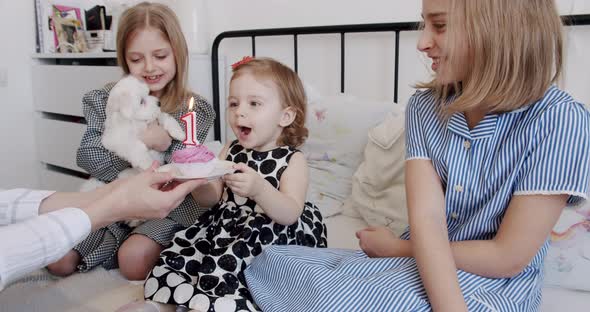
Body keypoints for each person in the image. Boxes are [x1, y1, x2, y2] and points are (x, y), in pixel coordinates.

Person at [243, 0, 590, 311]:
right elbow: (427, 221)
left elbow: (508, 257)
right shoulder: (425, 108)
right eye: (424, 24)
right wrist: (408, 253)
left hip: (490, 281)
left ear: (500, 29)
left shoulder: (560, 120)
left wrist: (398, 249)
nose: (423, 43)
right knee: (268, 261)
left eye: (439, 25)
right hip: (422, 254)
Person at [141, 57, 327, 312]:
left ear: (285, 116)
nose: (240, 111)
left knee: (227, 267)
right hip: (225, 226)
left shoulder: (293, 160)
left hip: (268, 234)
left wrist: (260, 190)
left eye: (254, 103)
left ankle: (213, 305)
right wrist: (198, 178)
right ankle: (161, 304)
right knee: (185, 255)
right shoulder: (230, 148)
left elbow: (290, 212)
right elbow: (211, 199)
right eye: (233, 103)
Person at [47, 2, 216, 281]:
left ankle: (124, 245)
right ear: (125, 60)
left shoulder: (194, 108)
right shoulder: (106, 99)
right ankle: (110, 241)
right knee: (58, 258)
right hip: (115, 198)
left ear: (178, 53)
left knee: (133, 261)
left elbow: (186, 168)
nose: (150, 67)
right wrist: (138, 142)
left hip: (168, 209)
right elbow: (88, 156)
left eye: (160, 55)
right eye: (137, 59)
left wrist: (166, 144)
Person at [0, 163, 206, 291]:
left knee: (134, 257)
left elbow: (8, 205)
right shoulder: (103, 104)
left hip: (154, 207)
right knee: (60, 260)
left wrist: (111, 195)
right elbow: (91, 158)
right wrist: (115, 204)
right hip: (117, 207)